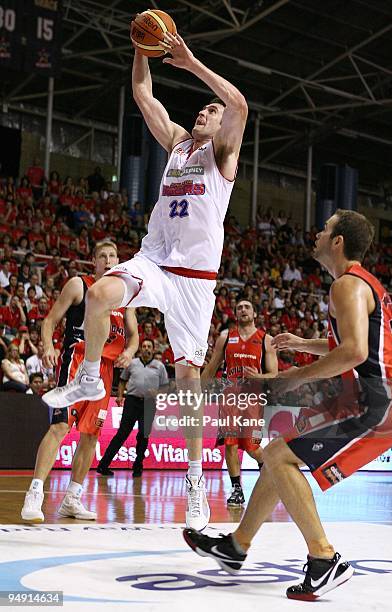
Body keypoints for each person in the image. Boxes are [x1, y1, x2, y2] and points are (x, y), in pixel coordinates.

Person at [41, 27, 248, 530]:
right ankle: (89, 376)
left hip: (195, 281)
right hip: (155, 261)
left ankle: (197, 481)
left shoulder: (222, 156)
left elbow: (239, 102)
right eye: (202, 108)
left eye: (210, 110)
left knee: (189, 379)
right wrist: (141, 47)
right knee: (99, 293)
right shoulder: (178, 144)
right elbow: (142, 93)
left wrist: (191, 61)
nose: (205, 111)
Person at [183, 210, 392, 600]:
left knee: (279, 458)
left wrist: (296, 375)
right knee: (276, 455)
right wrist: (302, 344)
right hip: (367, 397)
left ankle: (323, 558)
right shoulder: (363, 285)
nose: (317, 232)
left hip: (375, 402)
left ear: (338, 242)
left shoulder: (347, 285)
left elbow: (354, 351)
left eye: (326, 228)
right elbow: (353, 346)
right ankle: (236, 546)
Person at [21, 241, 138, 523]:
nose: (108, 260)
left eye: (113, 256)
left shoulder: (125, 296)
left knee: (91, 436)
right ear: (94, 262)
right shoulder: (79, 285)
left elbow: (134, 336)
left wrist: (130, 352)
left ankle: (72, 498)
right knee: (60, 426)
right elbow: (49, 321)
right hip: (77, 361)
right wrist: (48, 346)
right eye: (102, 256)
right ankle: (35, 493)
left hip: (106, 370)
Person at [202, 299, 278, 505]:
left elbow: (274, 375)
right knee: (230, 444)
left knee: (252, 447)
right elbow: (212, 366)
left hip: (253, 398)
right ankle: (237, 489)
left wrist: (259, 378)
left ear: (254, 314)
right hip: (230, 397)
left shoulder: (266, 340)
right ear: (235, 314)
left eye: (247, 307)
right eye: (239, 308)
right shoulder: (226, 337)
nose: (243, 310)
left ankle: (271, 472)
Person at [97, 338, 168, 477]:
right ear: (140, 349)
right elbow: (123, 380)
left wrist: (159, 393)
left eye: (149, 346)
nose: (146, 348)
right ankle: (103, 465)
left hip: (149, 403)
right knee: (122, 434)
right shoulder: (133, 363)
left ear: (153, 349)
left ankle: (138, 466)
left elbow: (165, 386)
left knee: (143, 435)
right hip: (131, 401)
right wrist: (119, 396)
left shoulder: (159, 366)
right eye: (144, 346)